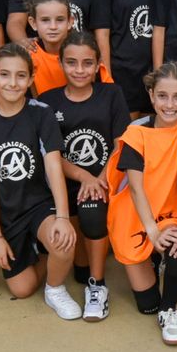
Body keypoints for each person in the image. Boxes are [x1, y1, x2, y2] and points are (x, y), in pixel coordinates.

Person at [0, 44, 79, 317]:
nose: (12, 83)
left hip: (39, 206)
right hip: (8, 213)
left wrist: (63, 217)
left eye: (21, 76)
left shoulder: (41, 113)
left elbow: (54, 168)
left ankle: (55, 289)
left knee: (63, 242)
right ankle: (37, 253)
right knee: (23, 288)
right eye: (5, 75)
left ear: (31, 79)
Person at [106, 61, 177, 344]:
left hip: (170, 210)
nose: (169, 104)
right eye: (162, 96)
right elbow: (135, 188)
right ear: (151, 96)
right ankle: (149, 257)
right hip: (137, 215)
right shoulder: (136, 131)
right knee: (146, 305)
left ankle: (170, 310)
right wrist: (151, 229)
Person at [40, 29, 130, 321]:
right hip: (67, 183)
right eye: (72, 63)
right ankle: (85, 266)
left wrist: (99, 178)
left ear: (97, 64)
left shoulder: (111, 93)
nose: (79, 70)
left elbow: (120, 144)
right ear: (61, 64)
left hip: (103, 181)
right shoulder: (48, 101)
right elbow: (52, 154)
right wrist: (84, 178)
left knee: (92, 212)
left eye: (87, 63)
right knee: (76, 268)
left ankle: (98, 284)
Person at [25, 0, 113, 95]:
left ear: (70, 22)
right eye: (45, 20)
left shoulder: (87, 54)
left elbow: (110, 97)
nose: (53, 27)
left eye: (60, 19)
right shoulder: (27, 56)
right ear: (33, 23)